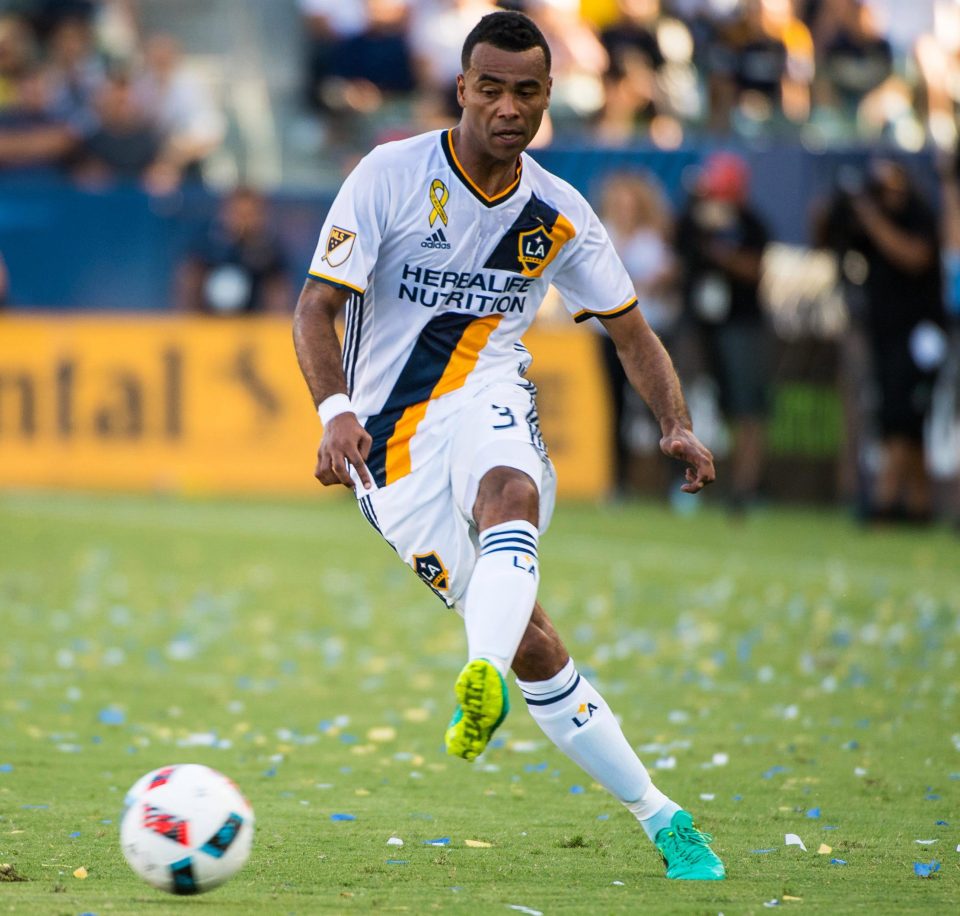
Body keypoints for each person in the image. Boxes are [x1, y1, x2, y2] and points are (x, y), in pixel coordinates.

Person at [293, 10, 724, 881]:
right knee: (534, 641)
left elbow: (633, 332)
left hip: (490, 386)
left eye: (526, 91)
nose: (507, 106)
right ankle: (657, 806)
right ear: (461, 88)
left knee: (512, 497)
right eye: (490, 87)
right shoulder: (389, 174)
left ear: (548, 98)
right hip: (389, 445)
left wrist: (673, 419)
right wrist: (333, 409)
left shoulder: (559, 212)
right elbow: (314, 308)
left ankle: (480, 679)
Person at [817, 159, 947, 523]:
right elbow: (825, 239)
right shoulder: (867, 221)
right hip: (884, 333)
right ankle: (920, 506)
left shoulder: (917, 214)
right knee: (900, 416)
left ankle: (885, 499)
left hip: (920, 335)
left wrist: (873, 218)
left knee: (904, 413)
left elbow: (914, 257)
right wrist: (835, 209)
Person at [675, 151, 772, 512]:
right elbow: (678, 258)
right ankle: (689, 483)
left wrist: (722, 252)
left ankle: (745, 489)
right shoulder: (691, 220)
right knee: (690, 404)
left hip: (741, 325)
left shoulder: (750, 224)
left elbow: (755, 270)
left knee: (747, 408)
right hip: (699, 325)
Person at [176, 186, 292, 316]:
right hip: (207, 322)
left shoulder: (270, 251)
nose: (243, 222)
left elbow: (279, 294)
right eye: (238, 214)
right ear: (225, 213)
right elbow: (188, 284)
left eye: (250, 215)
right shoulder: (205, 243)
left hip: (254, 323)